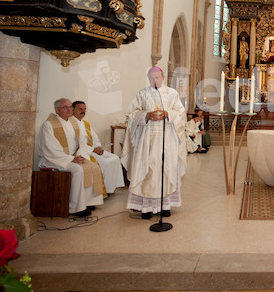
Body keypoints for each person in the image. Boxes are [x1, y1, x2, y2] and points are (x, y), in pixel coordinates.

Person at [121, 67, 187, 219]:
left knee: (166, 169)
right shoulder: (142, 94)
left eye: (157, 77)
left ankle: (165, 206)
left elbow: (181, 113)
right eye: (151, 78)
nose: (154, 80)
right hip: (147, 141)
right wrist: (145, 115)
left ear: (162, 77)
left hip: (167, 139)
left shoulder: (172, 93)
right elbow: (131, 114)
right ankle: (146, 208)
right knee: (147, 170)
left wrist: (167, 114)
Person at [36, 98, 104, 217]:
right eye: (65, 107)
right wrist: (71, 159)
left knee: (92, 166)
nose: (69, 110)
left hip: (73, 157)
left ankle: (87, 202)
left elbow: (82, 142)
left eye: (70, 107)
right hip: (54, 160)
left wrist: (80, 155)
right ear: (57, 110)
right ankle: (75, 207)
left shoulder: (73, 123)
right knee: (78, 170)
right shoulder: (49, 125)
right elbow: (50, 148)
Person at [72, 101, 125, 194]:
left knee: (115, 158)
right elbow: (77, 144)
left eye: (84, 109)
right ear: (72, 110)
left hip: (94, 150)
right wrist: (93, 149)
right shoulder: (71, 124)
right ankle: (105, 190)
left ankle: (113, 186)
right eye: (80, 109)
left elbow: (95, 138)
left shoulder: (86, 124)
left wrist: (99, 147)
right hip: (85, 152)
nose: (83, 111)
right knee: (105, 163)